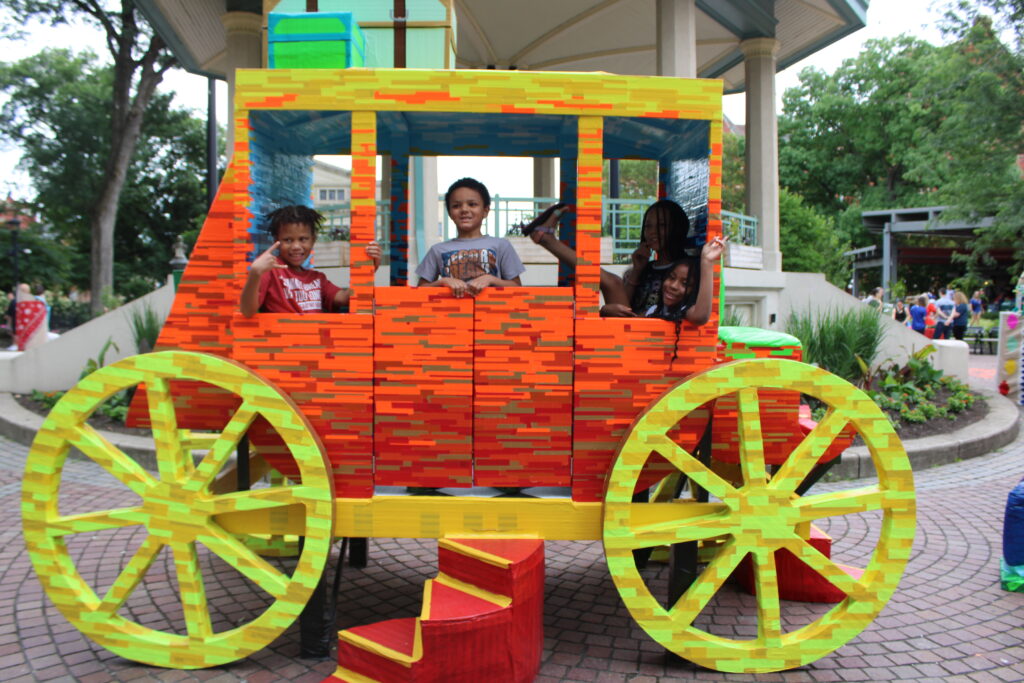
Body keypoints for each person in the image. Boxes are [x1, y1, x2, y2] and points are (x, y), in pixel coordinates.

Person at [527, 198, 721, 317]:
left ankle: (547, 240)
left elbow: (695, 313)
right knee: (613, 282)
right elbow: (624, 305)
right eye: (648, 226)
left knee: (611, 281)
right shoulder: (647, 267)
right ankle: (546, 239)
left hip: (657, 337)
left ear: (677, 229)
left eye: (661, 226)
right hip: (631, 329)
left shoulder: (685, 269)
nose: (652, 233)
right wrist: (637, 270)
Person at [240, 205, 381, 317]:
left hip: (315, 347)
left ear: (313, 240)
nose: (296, 246)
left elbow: (344, 298)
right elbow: (247, 311)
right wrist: (255, 273)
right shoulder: (270, 270)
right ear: (276, 241)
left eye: (303, 239)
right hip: (283, 348)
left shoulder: (318, 279)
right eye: (288, 240)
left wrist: (369, 268)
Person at [416, 177, 525, 296]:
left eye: (472, 204)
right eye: (456, 206)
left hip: (492, 311)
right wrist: (443, 281)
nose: (464, 209)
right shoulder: (436, 250)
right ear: (449, 212)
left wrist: (490, 279)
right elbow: (420, 290)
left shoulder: (502, 245)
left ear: (485, 210)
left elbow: (517, 287)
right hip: (452, 312)